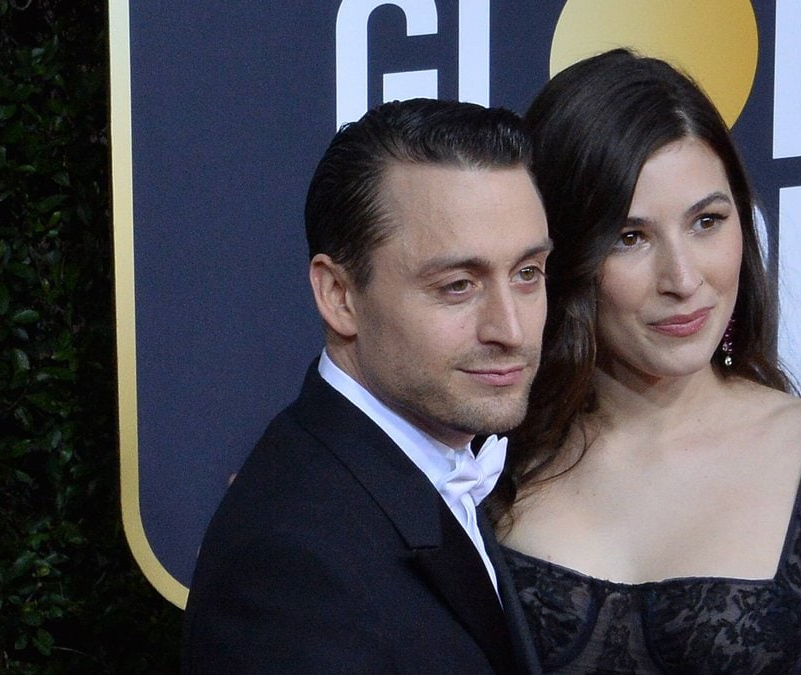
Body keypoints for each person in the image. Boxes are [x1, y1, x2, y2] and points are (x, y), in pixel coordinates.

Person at [489, 50, 801, 673]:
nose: (684, 278)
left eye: (707, 221)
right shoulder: (486, 458)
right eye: (630, 237)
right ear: (562, 253)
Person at [182, 98, 551, 673]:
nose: (511, 328)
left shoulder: (430, 464)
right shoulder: (289, 571)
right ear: (339, 295)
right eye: (458, 285)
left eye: (528, 274)